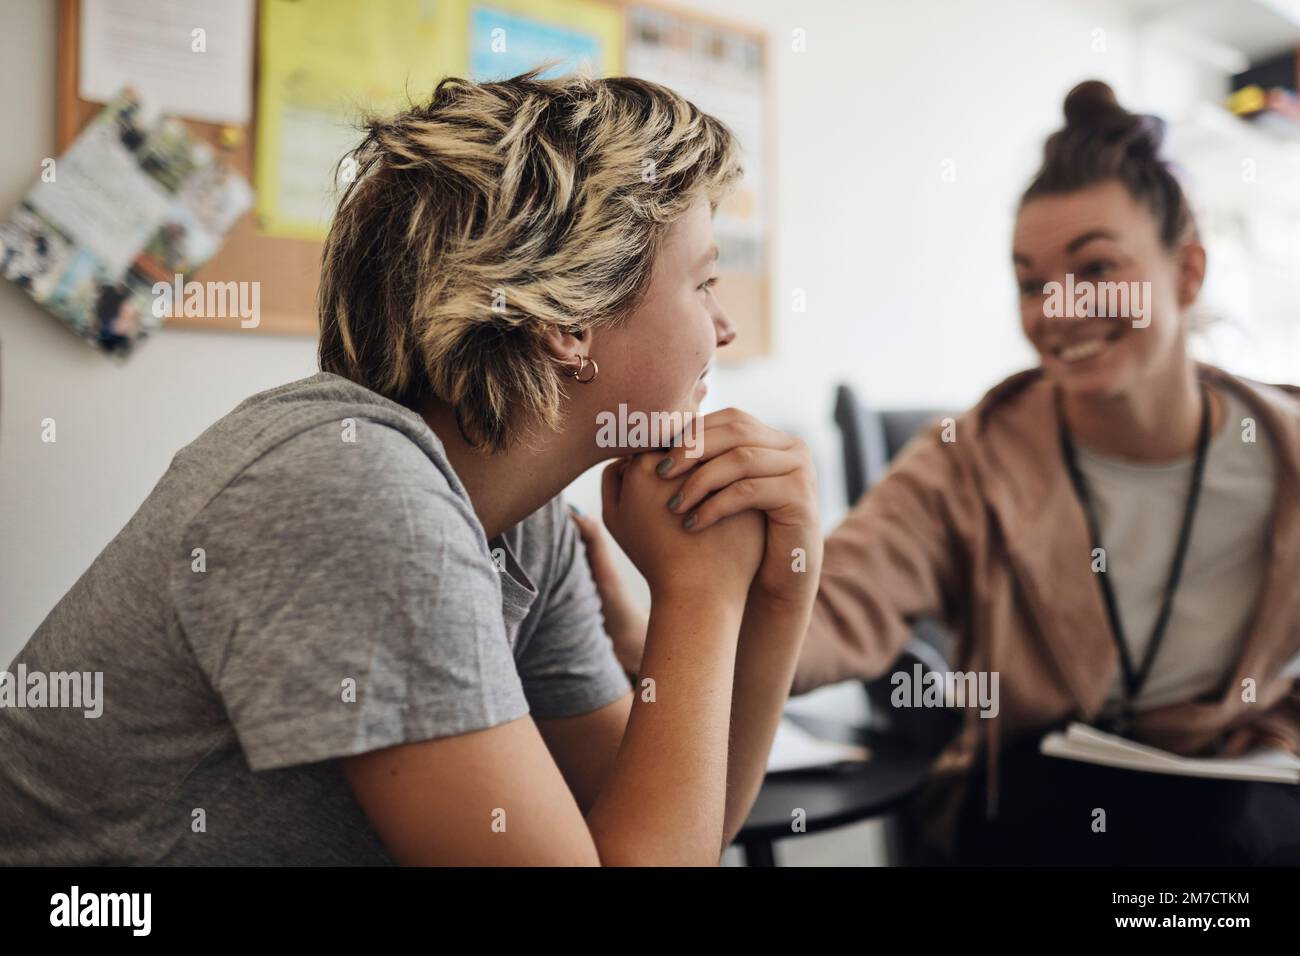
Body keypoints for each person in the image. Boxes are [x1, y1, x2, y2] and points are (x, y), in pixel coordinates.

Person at [0, 71, 821, 866]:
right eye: (703, 282)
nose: (723, 329)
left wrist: (779, 593)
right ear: (570, 320)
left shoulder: (520, 524)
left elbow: (663, 831)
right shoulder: (353, 488)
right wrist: (701, 595)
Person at [788, 80, 1300, 864]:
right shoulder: (969, 457)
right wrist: (683, 630)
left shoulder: (1286, 449)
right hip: (1041, 798)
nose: (1057, 309)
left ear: (1187, 274)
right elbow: (836, 604)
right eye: (1031, 282)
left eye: (1095, 269)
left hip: (1240, 794)